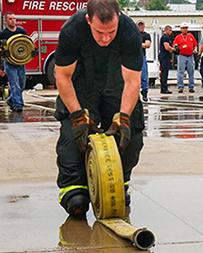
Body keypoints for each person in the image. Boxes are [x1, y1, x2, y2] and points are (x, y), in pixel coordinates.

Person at [54, 0, 144, 217]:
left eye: (111, 32)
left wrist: (123, 118)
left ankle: (119, 183)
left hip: (116, 83)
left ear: (119, 18)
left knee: (130, 134)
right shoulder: (72, 30)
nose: (106, 38)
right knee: (73, 136)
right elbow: (62, 76)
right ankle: (74, 189)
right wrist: (76, 115)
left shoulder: (130, 31)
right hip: (82, 83)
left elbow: (133, 81)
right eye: (99, 32)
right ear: (88, 20)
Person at [0, 12, 27, 112]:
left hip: (20, 62)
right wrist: (1, 53)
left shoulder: (21, 31)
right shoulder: (2, 34)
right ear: (6, 21)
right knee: (14, 84)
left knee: (22, 84)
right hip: (9, 62)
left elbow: (28, 43)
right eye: (10, 19)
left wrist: (32, 51)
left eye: (14, 18)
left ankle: (10, 100)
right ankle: (18, 105)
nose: (13, 21)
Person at [173, 22, 198, 93]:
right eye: (183, 28)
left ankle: (191, 86)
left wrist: (195, 49)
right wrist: (176, 48)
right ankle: (180, 87)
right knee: (180, 72)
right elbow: (175, 45)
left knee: (191, 71)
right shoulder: (178, 37)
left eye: (186, 28)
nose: (185, 30)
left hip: (190, 55)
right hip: (182, 56)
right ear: (181, 29)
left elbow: (195, 44)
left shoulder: (190, 36)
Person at [137, 20, 151, 102]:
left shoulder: (146, 35)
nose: (141, 26)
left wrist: (137, 44)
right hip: (133, 57)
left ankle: (145, 93)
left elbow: (147, 45)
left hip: (142, 57)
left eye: (142, 25)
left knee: (144, 76)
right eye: (139, 25)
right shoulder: (133, 34)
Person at [159, 25, 175, 94]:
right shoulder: (165, 37)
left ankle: (164, 88)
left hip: (165, 56)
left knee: (164, 72)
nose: (171, 32)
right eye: (170, 30)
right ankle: (164, 88)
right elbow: (167, 47)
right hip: (164, 57)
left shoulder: (166, 37)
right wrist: (174, 49)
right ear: (166, 30)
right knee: (164, 73)